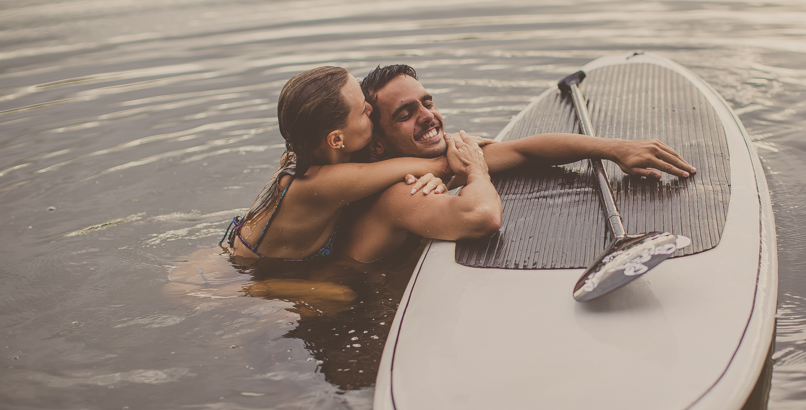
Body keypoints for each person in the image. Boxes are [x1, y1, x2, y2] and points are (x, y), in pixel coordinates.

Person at [340, 64, 696, 263]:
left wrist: (613, 148)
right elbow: (483, 219)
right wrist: (476, 170)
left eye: (427, 103)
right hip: (353, 301)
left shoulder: (431, 163)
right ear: (378, 146)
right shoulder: (400, 193)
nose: (427, 116)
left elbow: (525, 151)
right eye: (406, 113)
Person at [220, 65, 451, 262]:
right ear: (336, 139)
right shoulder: (321, 183)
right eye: (362, 110)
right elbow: (437, 165)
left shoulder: (304, 155)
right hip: (244, 274)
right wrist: (462, 146)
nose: (371, 110)